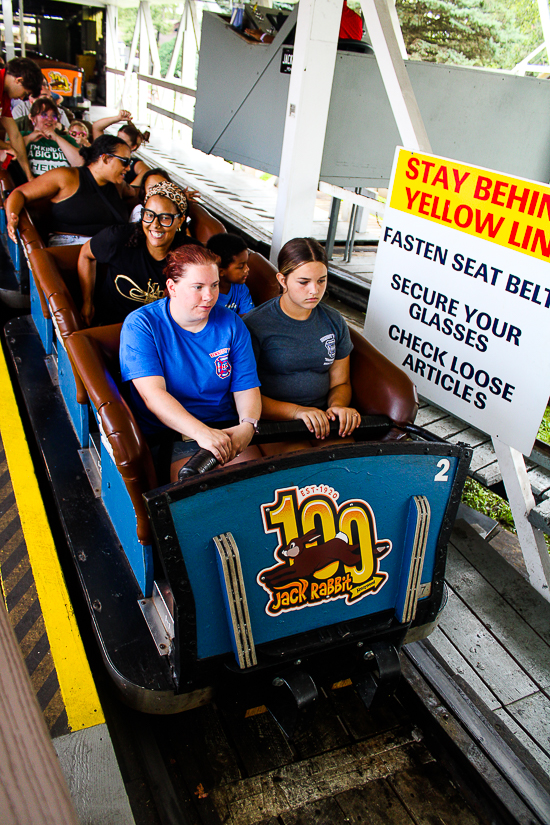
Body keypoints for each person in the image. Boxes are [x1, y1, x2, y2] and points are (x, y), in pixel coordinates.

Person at [120, 244, 261, 480]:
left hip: (226, 427)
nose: (209, 296)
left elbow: (246, 386)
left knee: (258, 487)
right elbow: (153, 396)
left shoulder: (232, 323)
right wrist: (202, 433)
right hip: (172, 433)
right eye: (198, 287)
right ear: (172, 287)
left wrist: (247, 425)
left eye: (214, 285)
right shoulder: (141, 325)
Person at [244, 237, 361, 447]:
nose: (314, 290)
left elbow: (340, 382)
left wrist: (338, 406)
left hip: (324, 420)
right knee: (302, 473)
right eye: (304, 282)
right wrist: (297, 412)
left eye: (321, 280)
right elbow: (245, 393)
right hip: (276, 424)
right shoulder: (255, 325)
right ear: (282, 280)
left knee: (346, 469)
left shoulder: (334, 321)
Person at [78, 180, 191, 326]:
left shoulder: (191, 255)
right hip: (113, 327)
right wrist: (87, 302)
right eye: (149, 215)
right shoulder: (118, 238)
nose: (155, 224)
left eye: (165, 218)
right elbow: (86, 254)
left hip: (159, 332)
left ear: (180, 221)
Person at [6, 134, 135, 246]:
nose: (128, 168)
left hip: (109, 247)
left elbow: (138, 193)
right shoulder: (67, 177)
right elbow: (20, 193)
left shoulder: (119, 185)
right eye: (125, 162)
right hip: (71, 248)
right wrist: (12, 217)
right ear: (106, 159)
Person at [0, 57, 44, 182]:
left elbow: (15, 136)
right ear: (19, 80)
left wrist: (29, 175)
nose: (21, 98)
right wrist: (7, 147)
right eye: (25, 93)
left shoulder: (4, 95)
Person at [20, 98, 82, 175]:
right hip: (33, 184)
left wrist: (56, 138)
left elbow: (80, 163)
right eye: (44, 114)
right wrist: (29, 138)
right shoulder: (21, 136)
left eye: (54, 115)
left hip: (63, 184)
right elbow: (4, 156)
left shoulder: (67, 139)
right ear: (32, 118)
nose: (49, 119)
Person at [206, 233, 254, 315]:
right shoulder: (207, 294)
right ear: (221, 272)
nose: (247, 269)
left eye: (246, 264)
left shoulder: (241, 288)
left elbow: (249, 316)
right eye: (241, 266)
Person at [116, 122, 151, 187]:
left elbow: (146, 171)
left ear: (133, 147)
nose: (118, 144)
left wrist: (130, 188)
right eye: (117, 139)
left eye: (123, 142)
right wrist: (117, 118)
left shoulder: (133, 162)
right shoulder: (109, 154)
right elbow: (96, 128)